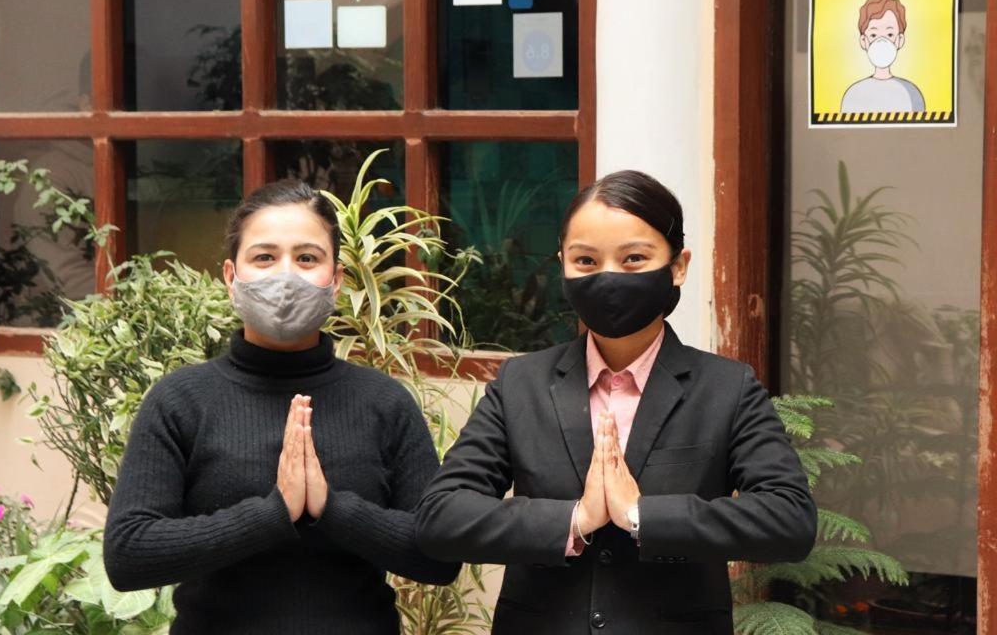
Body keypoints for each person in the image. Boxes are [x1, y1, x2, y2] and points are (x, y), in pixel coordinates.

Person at [416, 170, 816, 634]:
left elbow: (789, 520)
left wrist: (642, 515)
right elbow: (441, 516)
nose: (608, 278)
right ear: (562, 265)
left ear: (678, 265)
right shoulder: (520, 383)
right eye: (586, 261)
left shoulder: (727, 388)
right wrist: (575, 519)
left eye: (633, 259)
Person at [104, 180, 459, 634]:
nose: (285, 275)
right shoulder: (181, 401)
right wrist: (274, 513)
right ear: (232, 277)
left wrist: (333, 509)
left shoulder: (384, 402)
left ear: (336, 279)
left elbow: (440, 558)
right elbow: (129, 555)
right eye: (265, 257)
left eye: (307, 258)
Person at [840, 0, 925, 114]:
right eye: (873, 35)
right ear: (863, 41)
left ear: (900, 40)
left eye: (889, 34)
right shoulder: (852, 95)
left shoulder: (911, 94)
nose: (881, 42)